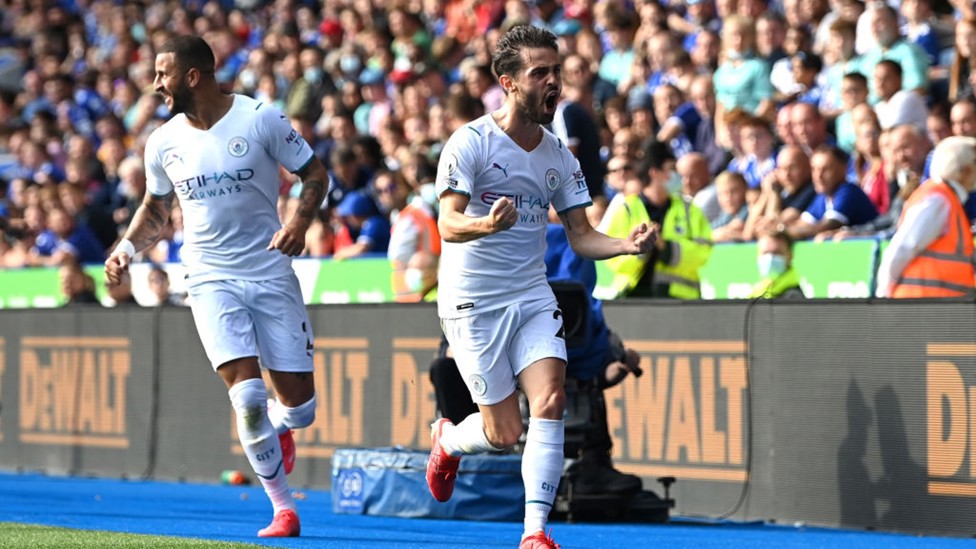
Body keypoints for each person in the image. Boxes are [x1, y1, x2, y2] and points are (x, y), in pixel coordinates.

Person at [425, 26, 656, 549]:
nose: (554, 82)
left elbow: (581, 234)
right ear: (508, 83)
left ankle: (534, 534)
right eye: (541, 73)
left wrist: (625, 245)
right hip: (472, 301)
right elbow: (448, 224)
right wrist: (486, 225)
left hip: (531, 295)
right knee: (503, 434)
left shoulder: (558, 156)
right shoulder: (471, 143)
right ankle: (448, 439)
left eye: (557, 71)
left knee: (550, 400)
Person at [103, 36, 327, 539]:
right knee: (247, 397)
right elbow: (156, 208)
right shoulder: (162, 142)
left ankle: (284, 425)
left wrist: (298, 221)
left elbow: (315, 173)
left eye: (163, 75)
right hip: (207, 277)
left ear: (193, 76)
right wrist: (125, 248)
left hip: (270, 270)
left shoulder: (260, 118)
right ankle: (282, 508)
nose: (156, 85)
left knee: (302, 407)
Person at [600, 140, 712, 299]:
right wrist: (639, 249)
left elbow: (703, 251)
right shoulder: (626, 209)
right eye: (671, 169)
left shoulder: (690, 209)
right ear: (654, 172)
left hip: (680, 299)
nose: (677, 176)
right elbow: (612, 258)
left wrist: (666, 247)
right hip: (632, 298)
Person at [875, 136, 976, 298]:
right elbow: (903, 248)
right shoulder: (939, 200)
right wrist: (884, 296)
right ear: (965, 171)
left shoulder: (947, 200)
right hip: (921, 306)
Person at [749, 229, 807, 298]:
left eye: (776, 253)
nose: (770, 258)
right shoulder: (756, 292)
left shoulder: (794, 297)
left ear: (790, 256)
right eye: (765, 253)